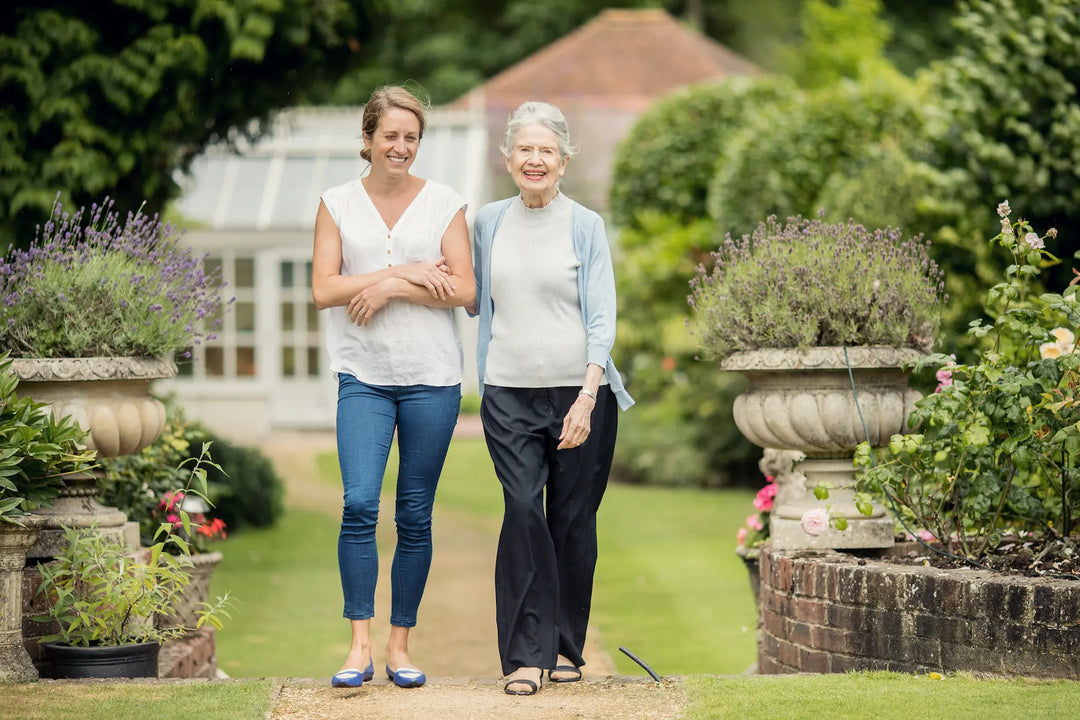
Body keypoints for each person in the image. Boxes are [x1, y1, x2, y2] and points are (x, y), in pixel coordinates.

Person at [311, 85, 475, 690]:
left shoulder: (444, 203)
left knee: (414, 512)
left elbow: (464, 288)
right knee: (358, 503)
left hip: (432, 377)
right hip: (363, 376)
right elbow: (325, 289)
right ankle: (359, 646)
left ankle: (399, 646)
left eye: (411, 138)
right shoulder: (336, 203)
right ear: (368, 139)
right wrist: (404, 270)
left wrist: (390, 289)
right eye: (390, 137)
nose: (401, 147)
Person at [470, 101, 634, 696]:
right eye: (525, 149)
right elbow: (469, 293)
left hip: (579, 390)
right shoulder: (487, 221)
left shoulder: (584, 225)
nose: (534, 160)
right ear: (507, 157)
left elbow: (602, 317)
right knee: (521, 510)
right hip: (508, 392)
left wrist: (588, 397)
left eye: (547, 151)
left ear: (563, 160)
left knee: (571, 521)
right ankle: (523, 654)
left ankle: (565, 646)